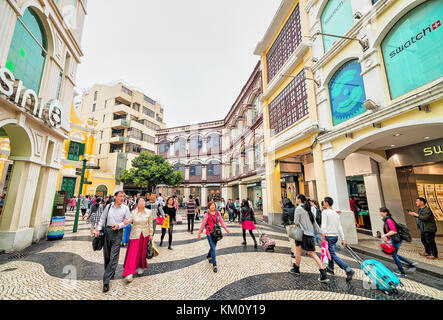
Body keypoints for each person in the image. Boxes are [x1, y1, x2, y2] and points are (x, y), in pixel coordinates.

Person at [95, 191, 131, 292]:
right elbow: (102, 218)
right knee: (107, 255)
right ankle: (111, 271)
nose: (122, 198)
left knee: (114, 256)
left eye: (123, 196)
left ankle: (106, 282)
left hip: (118, 233)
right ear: (115, 197)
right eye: (120, 196)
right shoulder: (109, 206)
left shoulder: (125, 208)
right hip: (107, 231)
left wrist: (119, 225)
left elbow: (127, 221)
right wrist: (98, 229)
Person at [292, 194, 329, 282]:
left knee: (299, 251)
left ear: (299, 199)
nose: (295, 200)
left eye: (296, 198)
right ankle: (322, 272)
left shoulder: (298, 209)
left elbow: (296, 222)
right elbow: (315, 224)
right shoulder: (309, 210)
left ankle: (297, 269)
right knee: (311, 253)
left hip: (301, 234)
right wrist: (321, 233)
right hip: (310, 235)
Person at [321, 197, 355, 281]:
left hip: (328, 236)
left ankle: (348, 269)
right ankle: (330, 268)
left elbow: (324, 224)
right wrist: (343, 238)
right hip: (335, 236)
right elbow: (339, 226)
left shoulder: (325, 212)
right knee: (330, 252)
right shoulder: (336, 214)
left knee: (332, 254)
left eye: (324, 201)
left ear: (326, 203)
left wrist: (323, 235)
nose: (323, 203)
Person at [122, 197, 154, 283]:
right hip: (135, 234)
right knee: (132, 253)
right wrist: (126, 222)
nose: (142, 202)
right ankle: (129, 273)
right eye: (140, 201)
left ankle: (140, 266)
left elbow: (150, 224)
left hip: (145, 234)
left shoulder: (149, 212)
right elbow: (130, 221)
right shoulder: (133, 212)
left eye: (143, 201)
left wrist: (151, 234)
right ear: (137, 203)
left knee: (142, 252)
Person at [380, 207, 418, 277]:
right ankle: (411, 263)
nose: (380, 213)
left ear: (386, 212)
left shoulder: (388, 220)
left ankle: (402, 272)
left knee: (394, 255)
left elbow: (394, 231)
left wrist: (385, 235)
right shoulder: (387, 219)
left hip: (396, 240)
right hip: (395, 240)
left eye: (381, 212)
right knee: (394, 254)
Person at [197, 200, 231, 273]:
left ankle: (208, 256)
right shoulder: (207, 215)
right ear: (209, 207)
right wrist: (199, 232)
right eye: (211, 205)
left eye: (214, 205)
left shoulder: (218, 213)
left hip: (216, 233)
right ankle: (214, 265)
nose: (213, 206)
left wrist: (226, 229)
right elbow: (203, 224)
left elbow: (222, 222)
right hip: (209, 233)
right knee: (213, 248)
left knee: (213, 247)